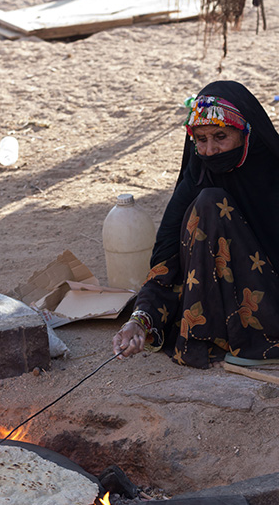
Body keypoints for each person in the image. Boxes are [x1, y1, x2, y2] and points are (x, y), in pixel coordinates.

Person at [113, 80, 279, 368]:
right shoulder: (199, 175)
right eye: (201, 140)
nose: (211, 150)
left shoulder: (273, 171)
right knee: (208, 203)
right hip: (229, 307)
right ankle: (229, 336)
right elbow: (166, 258)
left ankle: (263, 337)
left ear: (245, 132)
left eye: (220, 136)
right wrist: (141, 319)